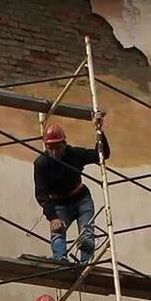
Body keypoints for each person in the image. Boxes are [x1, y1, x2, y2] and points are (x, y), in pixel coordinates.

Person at [34, 109, 110, 262]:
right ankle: (60, 259)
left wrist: (99, 130)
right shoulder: (41, 163)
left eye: (58, 148)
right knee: (57, 231)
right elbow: (41, 193)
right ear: (46, 147)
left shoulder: (75, 154)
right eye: (51, 149)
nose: (55, 152)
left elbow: (101, 155)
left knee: (87, 233)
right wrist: (52, 217)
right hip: (59, 203)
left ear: (64, 144)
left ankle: (85, 263)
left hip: (81, 198)